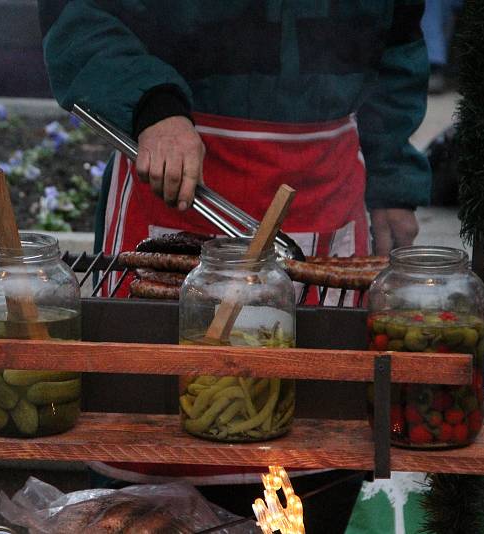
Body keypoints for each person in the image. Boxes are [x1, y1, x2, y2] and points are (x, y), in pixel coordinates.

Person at [39, 1, 431, 532]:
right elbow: (78, 15)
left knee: (315, 445)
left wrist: (393, 179)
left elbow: (398, 37)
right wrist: (152, 104)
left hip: (325, 185)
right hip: (173, 167)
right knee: (152, 440)